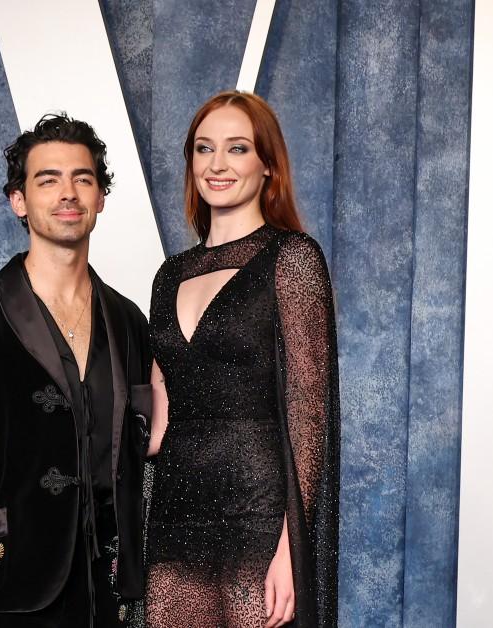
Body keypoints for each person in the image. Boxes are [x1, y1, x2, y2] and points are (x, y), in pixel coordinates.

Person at [0, 113, 154, 628]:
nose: (67, 193)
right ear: (19, 201)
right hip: (8, 586)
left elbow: (142, 451)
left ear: (100, 200)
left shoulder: (130, 321)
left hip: (111, 591)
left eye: (83, 179)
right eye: (48, 179)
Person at [143, 91, 341, 628]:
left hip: (258, 515)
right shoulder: (170, 275)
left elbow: (308, 412)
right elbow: (160, 411)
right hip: (176, 514)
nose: (217, 164)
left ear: (267, 166)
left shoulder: (293, 258)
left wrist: (290, 550)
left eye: (237, 148)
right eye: (204, 149)